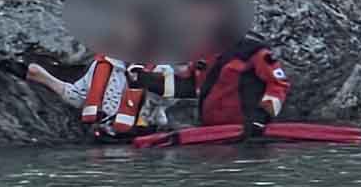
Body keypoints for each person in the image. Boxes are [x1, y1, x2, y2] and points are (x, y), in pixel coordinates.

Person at [129, 34, 290, 136]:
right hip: (212, 135)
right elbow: (187, 85)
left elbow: (278, 85)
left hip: (249, 133)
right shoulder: (205, 53)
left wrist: (260, 118)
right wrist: (147, 80)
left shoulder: (255, 52)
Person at [21, 54, 168, 140]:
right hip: (118, 126)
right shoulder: (106, 67)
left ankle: (43, 76)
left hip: (127, 120)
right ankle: (43, 76)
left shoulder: (159, 68)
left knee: (79, 96)